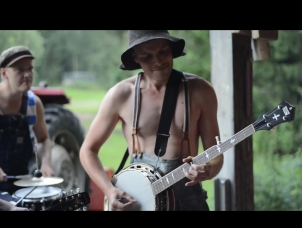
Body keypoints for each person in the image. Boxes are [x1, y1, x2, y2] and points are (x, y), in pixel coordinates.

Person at [79, 30, 224, 211]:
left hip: (187, 202)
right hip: (139, 202)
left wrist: (208, 168)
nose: (158, 61)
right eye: (147, 56)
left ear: (171, 49)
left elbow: (216, 154)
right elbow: (87, 151)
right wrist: (109, 190)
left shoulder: (200, 91)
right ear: (135, 57)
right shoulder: (121, 95)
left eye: (163, 51)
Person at [0, 46, 54, 196]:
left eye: (30, 69)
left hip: (22, 183)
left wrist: (46, 163)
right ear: (4, 73)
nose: (27, 75)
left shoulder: (33, 104)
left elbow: (43, 139)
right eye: (20, 70)